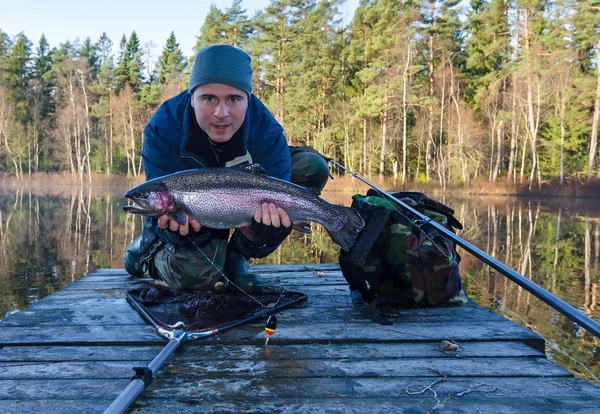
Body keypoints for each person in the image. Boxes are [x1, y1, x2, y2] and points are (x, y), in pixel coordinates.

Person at [124, 44, 330, 293]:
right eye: (209, 98)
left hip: (243, 199)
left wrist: (262, 237)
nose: (221, 113)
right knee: (196, 279)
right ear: (192, 98)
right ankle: (143, 255)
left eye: (233, 99)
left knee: (312, 166)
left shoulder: (268, 132)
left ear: (248, 99)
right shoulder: (163, 129)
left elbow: (278, 194)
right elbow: (160, 206)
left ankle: (236, 258)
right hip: (195, 208)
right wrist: (179, 234)